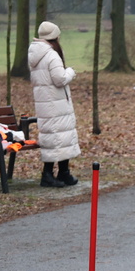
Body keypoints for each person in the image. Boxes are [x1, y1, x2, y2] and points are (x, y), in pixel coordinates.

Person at [28, 21, 80, 187]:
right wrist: (71, 71)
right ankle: (49, 174)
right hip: (55, 103)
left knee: (57, 137)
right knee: (58, 136)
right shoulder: (51, 55)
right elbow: (60, 79)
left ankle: (62, 172)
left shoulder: (37, 54)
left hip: (47, 103)